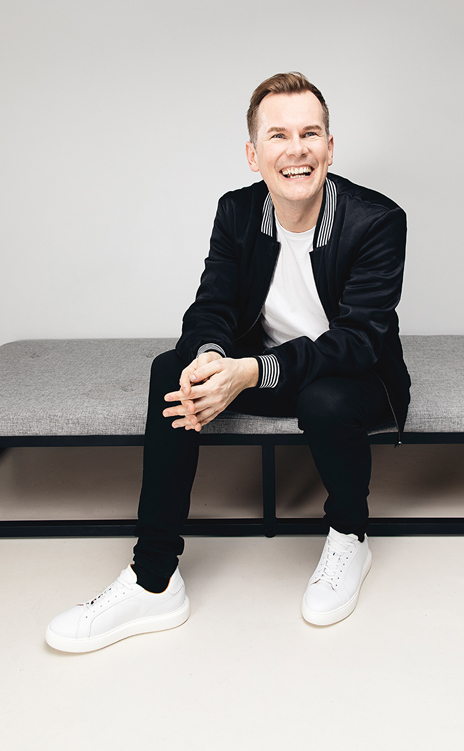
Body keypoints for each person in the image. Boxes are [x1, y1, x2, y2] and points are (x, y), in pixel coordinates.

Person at [46, 72, 410, 652]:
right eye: (278, 135)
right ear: (253, 154)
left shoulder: (378, 220)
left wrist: (250, 373)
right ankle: (154, 579)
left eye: (310, 134)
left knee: (324, 398)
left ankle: (350, 534)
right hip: (266, 368)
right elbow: (212, 304)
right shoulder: (237, 212)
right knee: (172, 369)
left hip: (354, 378)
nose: (296, 150)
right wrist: (213, 360)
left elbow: (358, 341)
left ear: (330, 147)